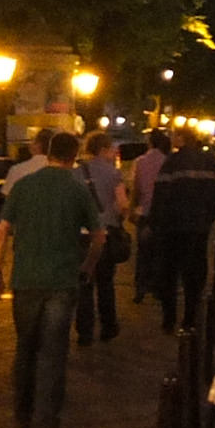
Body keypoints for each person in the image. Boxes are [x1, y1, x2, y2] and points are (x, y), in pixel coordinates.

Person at [0, 128, 103, 428]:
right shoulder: (77, 189)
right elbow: (99, 236)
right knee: (53, 353)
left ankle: (22, 412)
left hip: (26, 279)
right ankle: (46, 423)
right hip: (62, 281)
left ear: (48, 152)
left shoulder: (24, 186)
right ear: (74, 156)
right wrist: (88, 266)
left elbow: (1, 231)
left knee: (25, 347)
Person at [141, 127, 215, 335]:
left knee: (169, 273)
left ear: (181, 139)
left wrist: (154, 223)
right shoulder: (211, 162)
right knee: (194, 273)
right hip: (198, 227)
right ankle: (189, 318)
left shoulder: (172, 162)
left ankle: (169, 319)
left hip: (173, 227)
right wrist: (209, 216)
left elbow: (161, 195)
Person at [76, 134, 123, 346]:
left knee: (84, 283)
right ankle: (108, 327)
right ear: (103, 149)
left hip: (81, 235)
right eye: (112, 149)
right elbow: (122, 204)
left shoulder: (76, 172)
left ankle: (85, 332)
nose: (113, 153)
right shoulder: (113, 172)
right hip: (105, 234)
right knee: (106, 283)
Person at [125, 127, 172, 314]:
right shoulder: (168, 161)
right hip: (163, 214)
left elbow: (135, 188)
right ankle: (158, 288)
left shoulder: (140, 161)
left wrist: (131, 210)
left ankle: (140, 288)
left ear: (150, 143)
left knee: (143, 252)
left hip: (144, 213)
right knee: (161, 252)